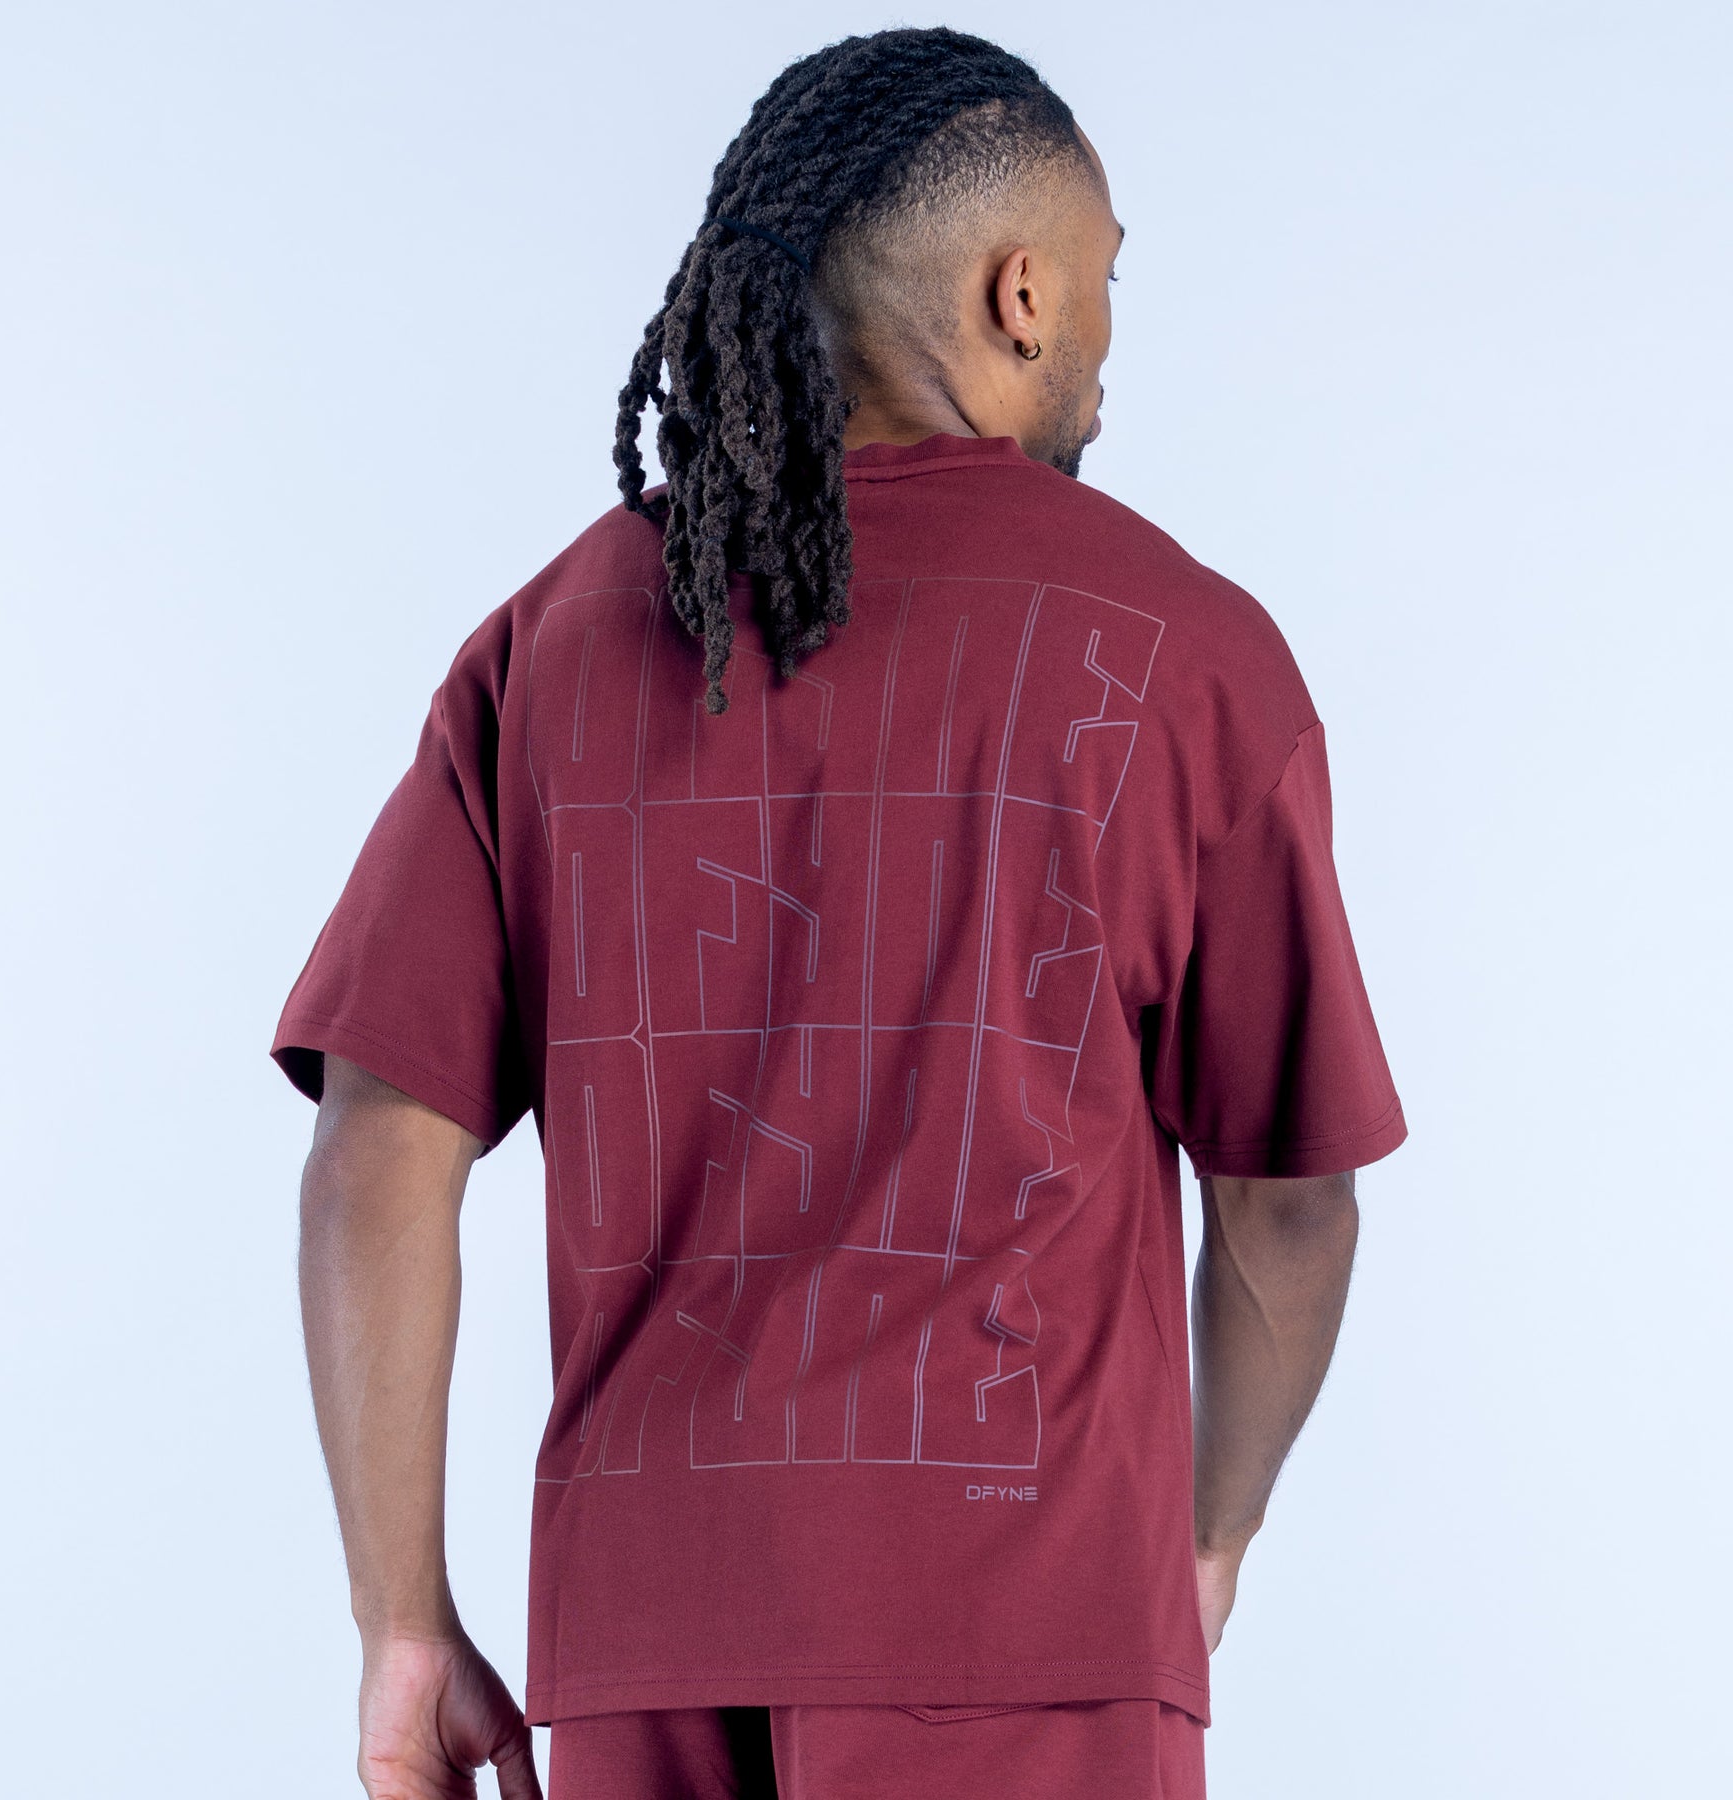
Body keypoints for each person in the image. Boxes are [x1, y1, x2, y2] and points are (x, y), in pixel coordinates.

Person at [272, 26, 1408, 1799]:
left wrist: (400, 1627)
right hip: (1031, 1637)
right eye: (1106, 283)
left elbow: (376, 1147)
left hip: (643, 1645)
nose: (1109, 341)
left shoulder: (555, 643)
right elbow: (1289, 1204)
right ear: (1021, 293)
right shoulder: (1186, 652)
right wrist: (1203, 1540)